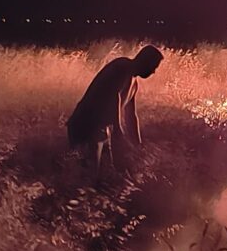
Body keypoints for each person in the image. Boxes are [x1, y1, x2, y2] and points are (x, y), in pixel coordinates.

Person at [67, 45, 164, 178]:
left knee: (107, 174)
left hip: (101, 129)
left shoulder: (134, 83)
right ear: (145, 60)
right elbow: (114, 96)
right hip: (85, 122)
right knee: (90, 174)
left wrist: (138, 146)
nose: (153, 71)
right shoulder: (123, 66)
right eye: (154, 66)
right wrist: (118, 130)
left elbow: (131, 116)